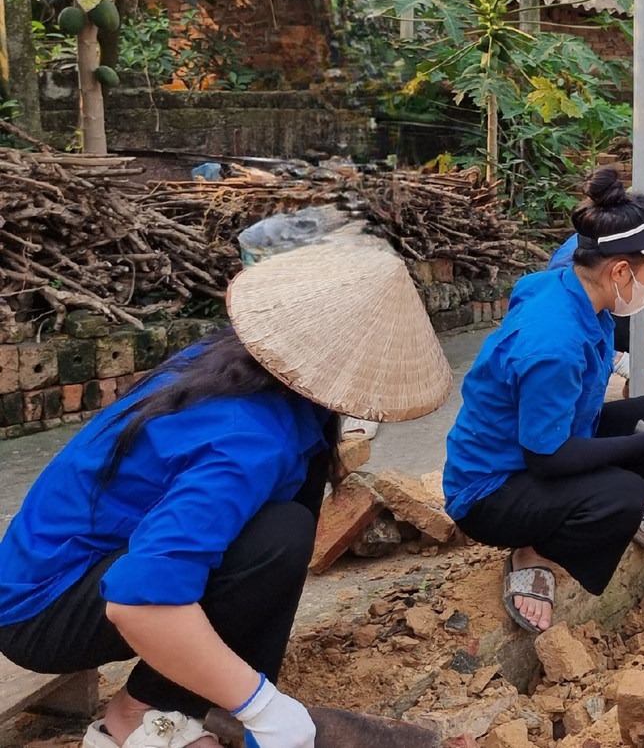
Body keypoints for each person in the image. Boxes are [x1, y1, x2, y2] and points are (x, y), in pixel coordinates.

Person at [0, 240, 452, 748]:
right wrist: (264, 707)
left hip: (86, 562)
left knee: (289, 515)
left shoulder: (238, 364)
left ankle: (204, 698)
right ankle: (139, 715)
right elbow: (138, 602)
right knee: (278, 536)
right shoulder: (246, 438)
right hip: (43, 608)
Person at [444, 168, 644, 635]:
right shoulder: (555, 344)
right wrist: (642, 449)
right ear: (621, 271)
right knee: (623, 494)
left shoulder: (578, 292)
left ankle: (608, 508)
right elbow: (547, 457)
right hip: (495, 487)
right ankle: (535, 552)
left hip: (546, 440)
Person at [549, 186, 644, 372]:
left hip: (614, 309)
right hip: (600, 319)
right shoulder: (576, 258)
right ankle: (605, 364)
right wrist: (613, 358)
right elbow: (567, 313)